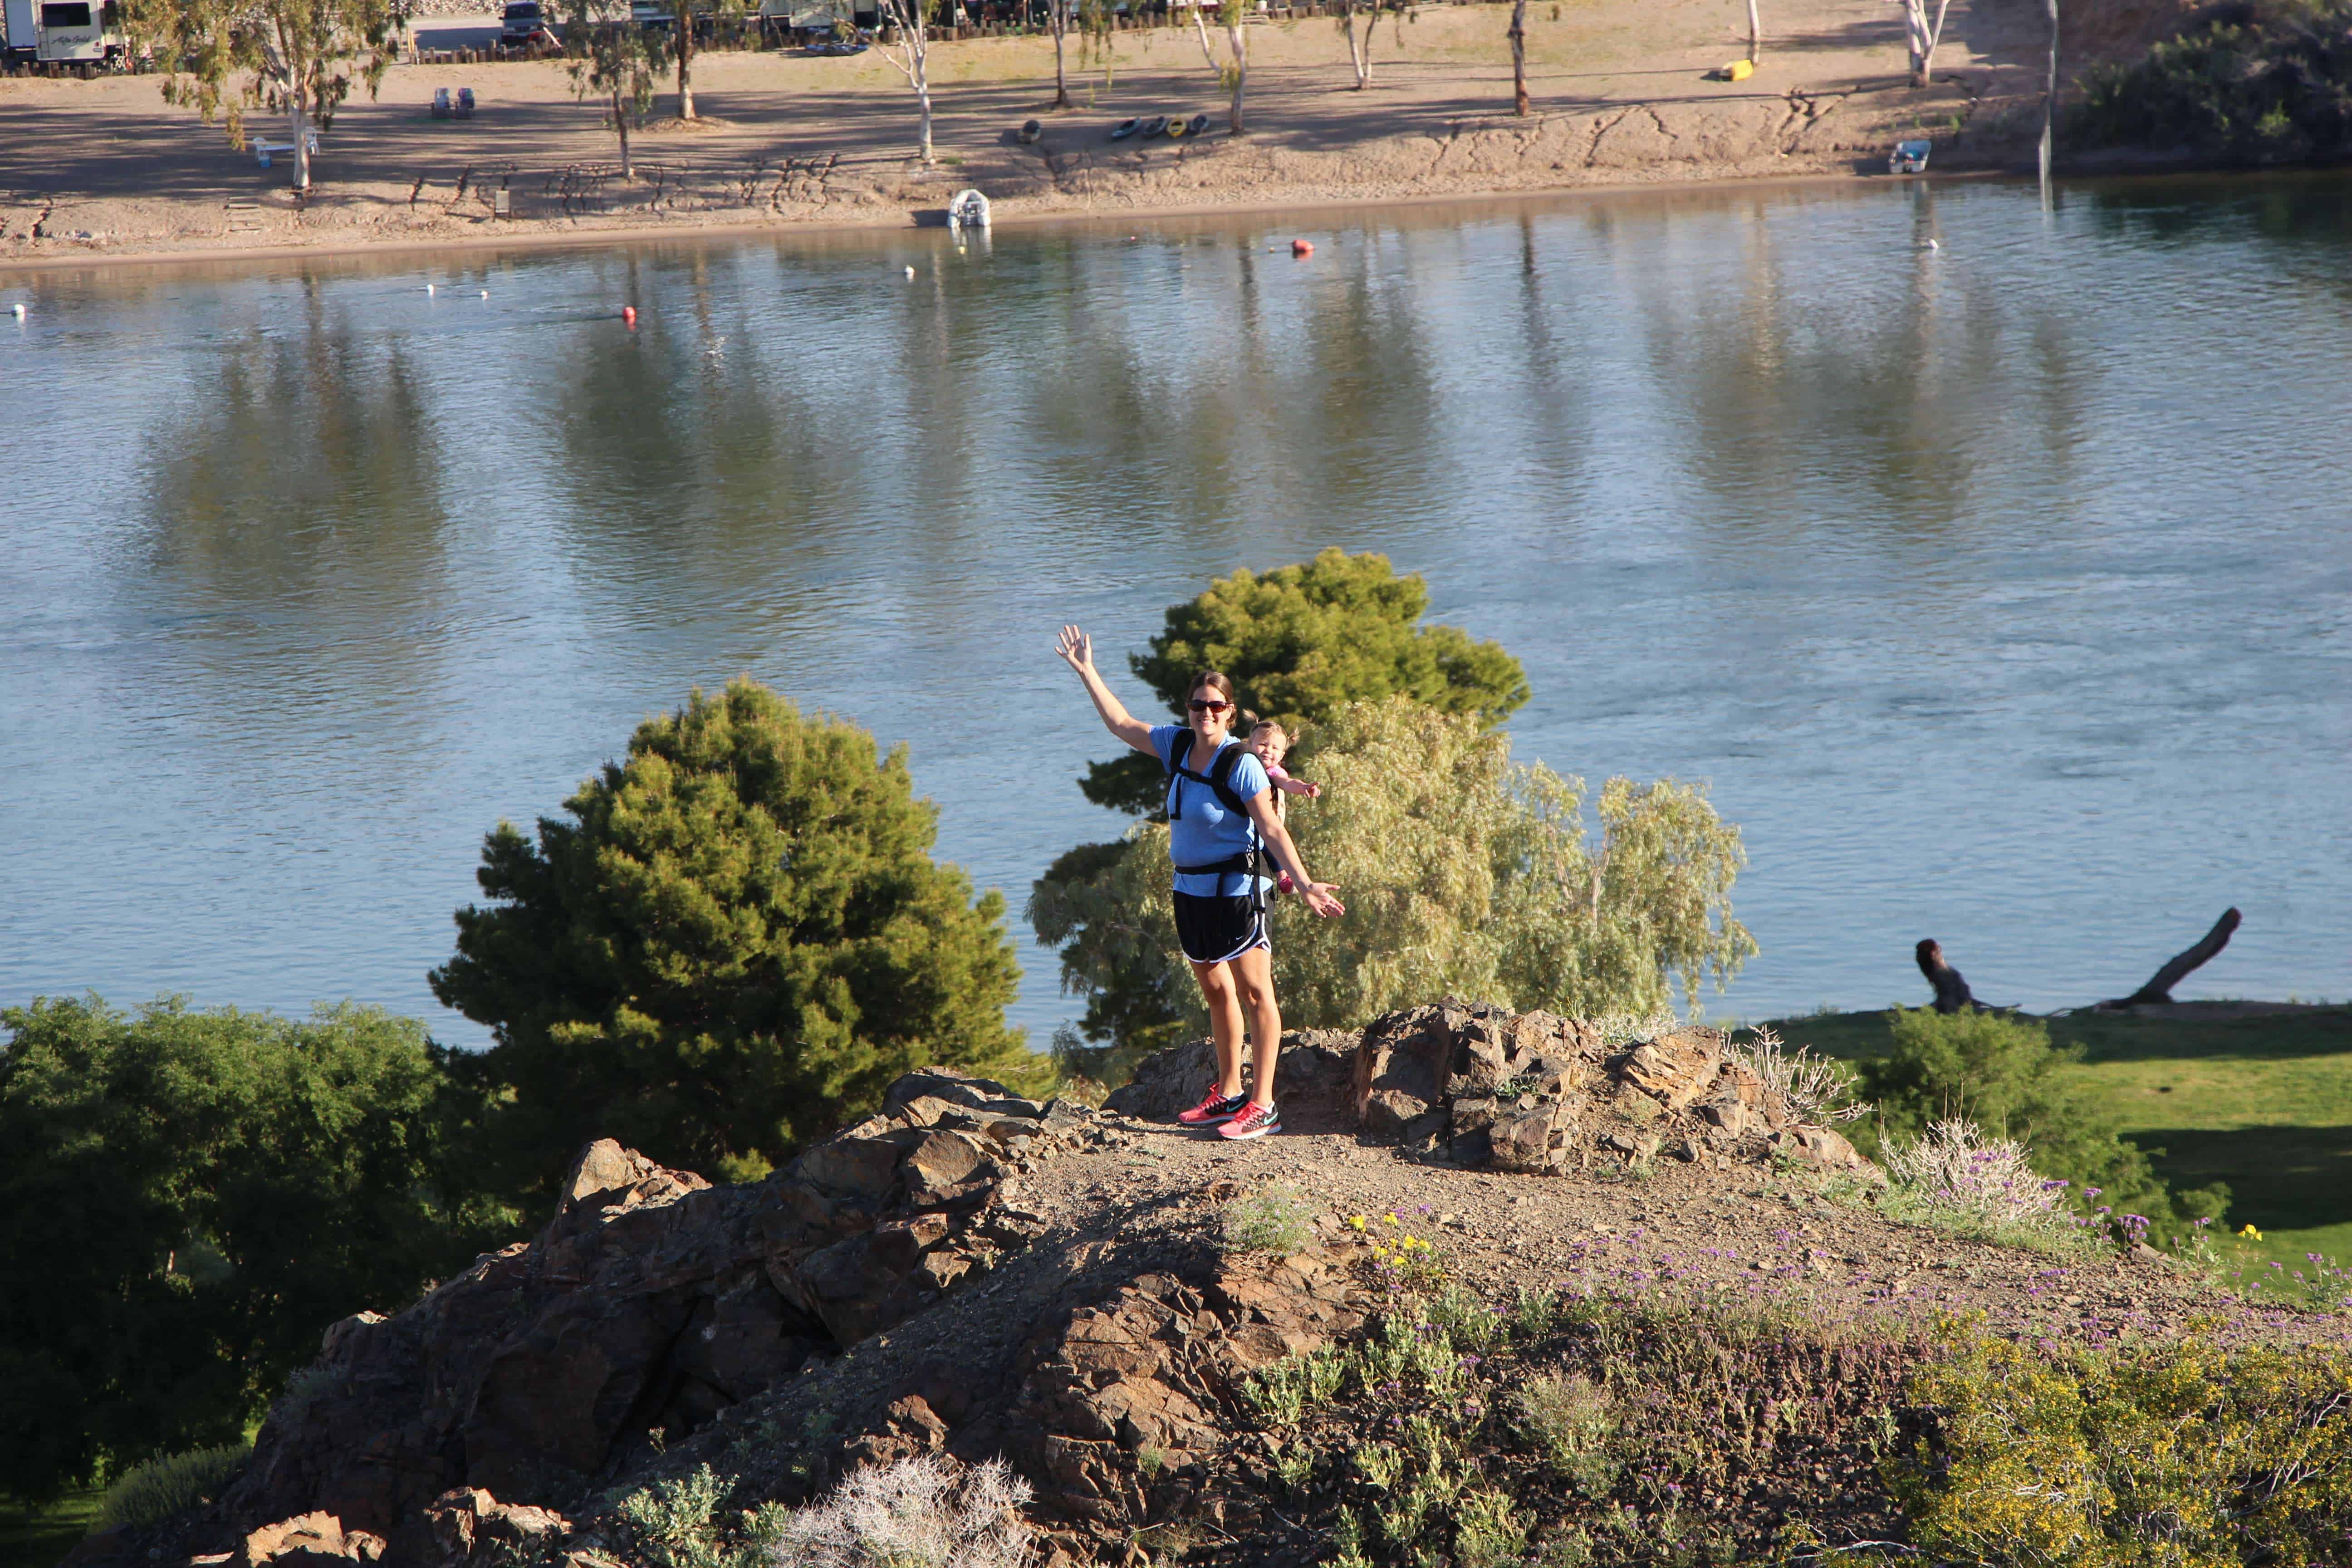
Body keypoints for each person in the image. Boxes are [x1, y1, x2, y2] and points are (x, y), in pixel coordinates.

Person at [1056, 625, 1343, 1140]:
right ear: (1187, 709)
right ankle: (1229, 1091)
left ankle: (1264, 1104)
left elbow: (1273, 828)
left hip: (1239, 893)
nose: (1205, 714)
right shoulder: (1178, 744)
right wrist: (1087, 672)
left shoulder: (1243, 764)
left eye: (1215, 706)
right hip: (1189, 892)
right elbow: (1121, 724)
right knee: (1215, 991)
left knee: (1256, 993)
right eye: (1197, 705)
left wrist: (1303, 884)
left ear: (1230, 712)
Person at [1245, 717, 1319, 892]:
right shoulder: (1244, 767)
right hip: (1247, 825)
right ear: (1249, 744)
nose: (1268, 751)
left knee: (1271, 844)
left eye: (1275, 748)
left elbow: (1287, 782)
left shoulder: (1273, 772)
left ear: (1282, 755)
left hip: (1268, 822)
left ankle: (1283, 877)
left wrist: (1303, 788)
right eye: (1263, 744)